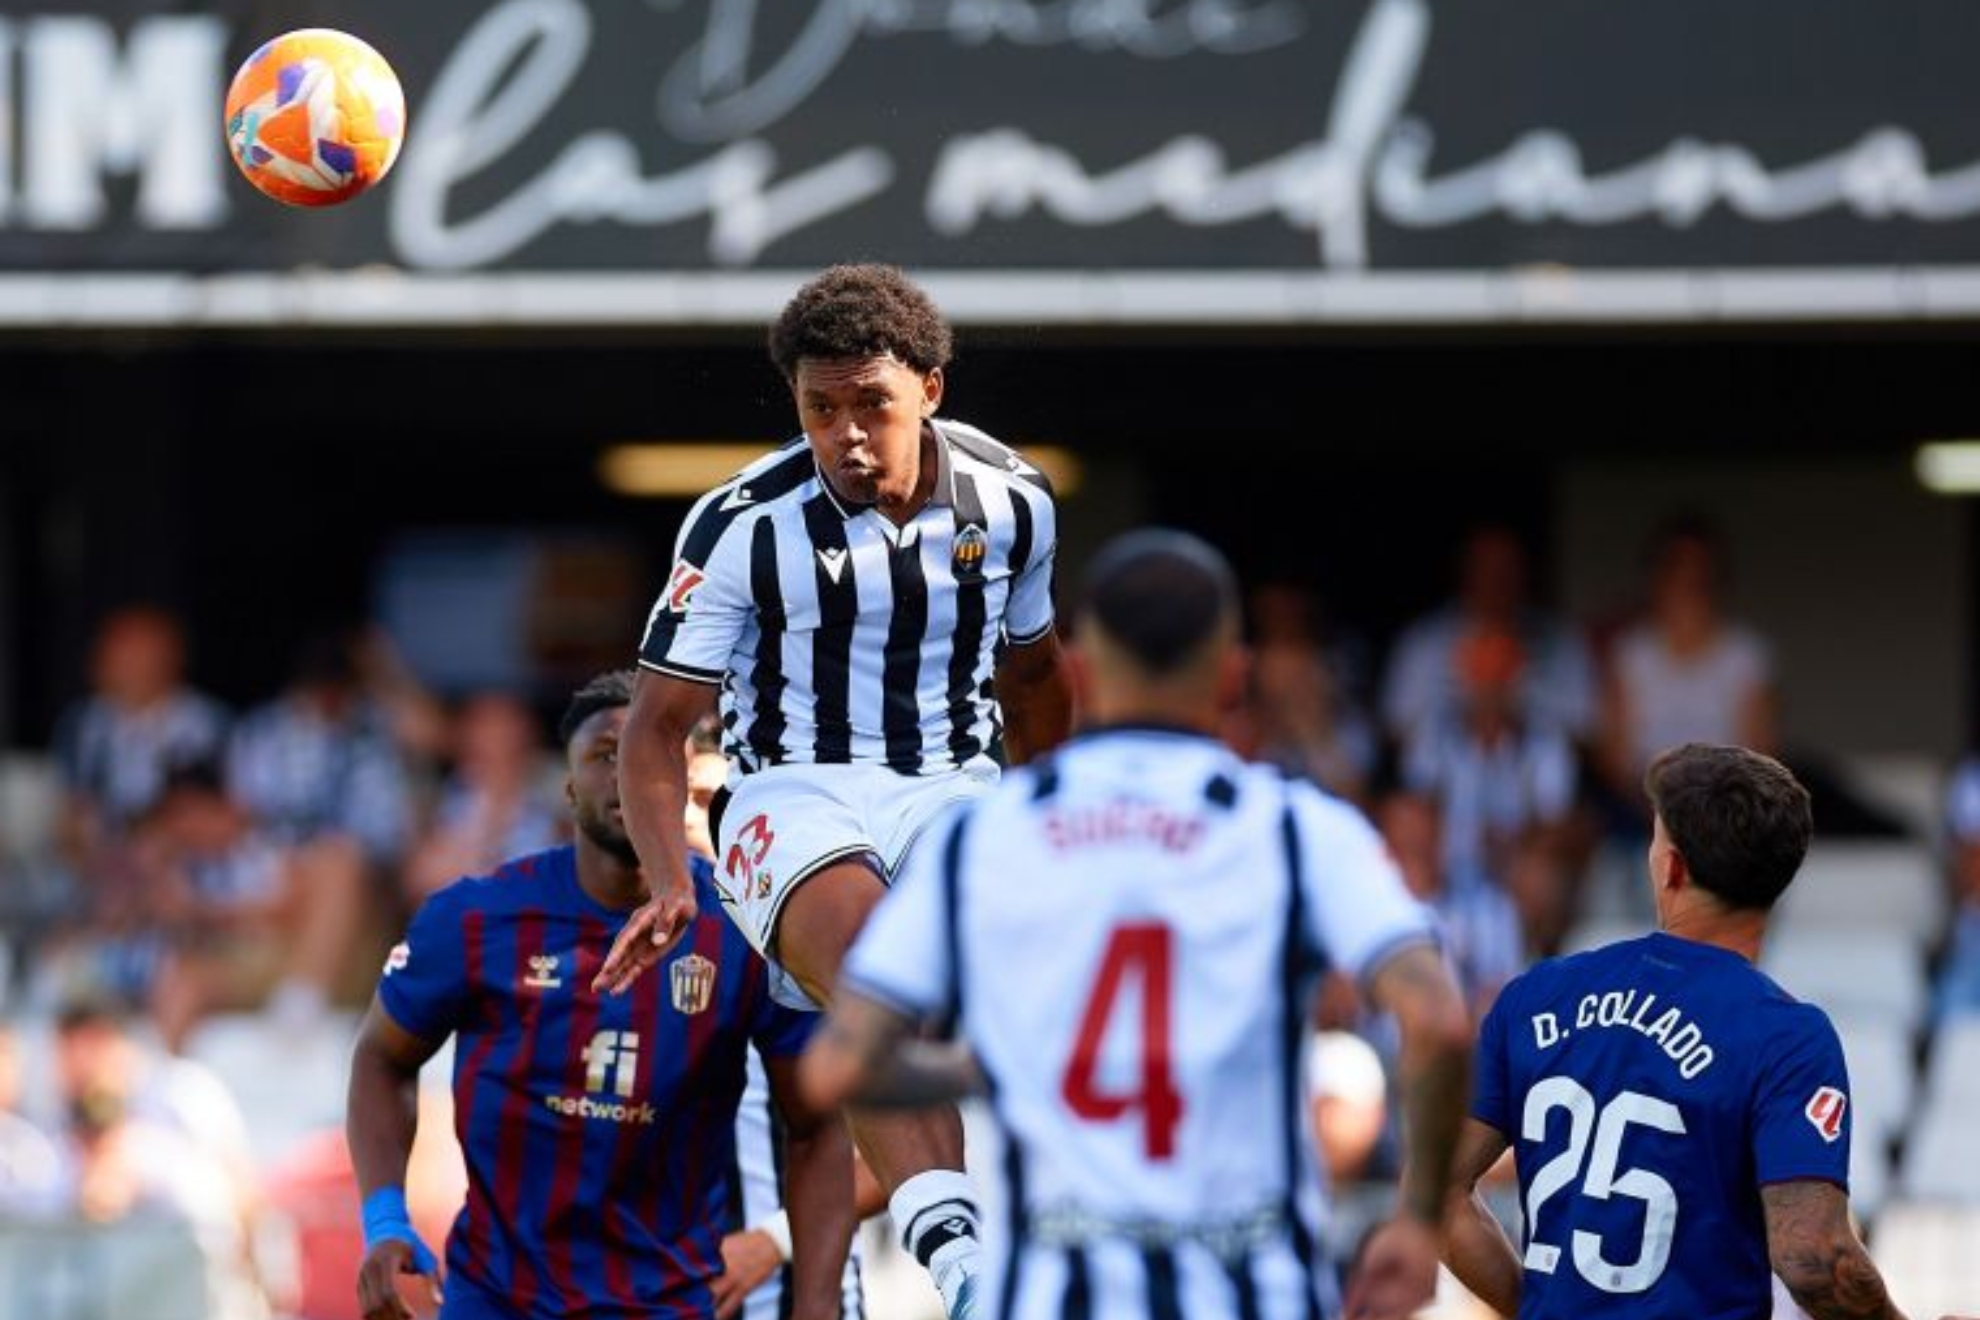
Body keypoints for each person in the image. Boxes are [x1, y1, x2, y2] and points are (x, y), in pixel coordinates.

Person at [799, 530, 1473, 1320]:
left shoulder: (985, 834)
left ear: (1080, 671)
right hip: (1255, 1296)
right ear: (1232, 676)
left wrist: (996, 1067)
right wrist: (1420, 1220)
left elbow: (837, 1069)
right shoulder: (1297, 828)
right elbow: (1436, 1018)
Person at [597, 263, 1075, 1320]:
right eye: (823, 410)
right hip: (792, 794)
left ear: (932, 392)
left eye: (874, 406)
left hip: (956, 785)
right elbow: (657, 727)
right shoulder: (738, 525)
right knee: (875, 974)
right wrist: (673, 882)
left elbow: (1036, 677)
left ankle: (1002, 1250)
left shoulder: (1015, 503)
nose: (849, 435)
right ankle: (963, 1271)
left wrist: (1060, 820)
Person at [346, 671, 854, 1320]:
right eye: (605, 754)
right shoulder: (476, 917)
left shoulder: (745, 932)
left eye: (650, 753)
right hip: (496, 1300)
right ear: (566, 784)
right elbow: (381, 1058)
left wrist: (816, 1308)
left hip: (666, 1305)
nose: (627, 773)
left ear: (684, 778)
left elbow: (820, 1128)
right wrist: (386, 1218)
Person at [1442, 743, 1953, 1320]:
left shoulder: (1536, 996)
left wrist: (1535, 1309)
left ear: (1673, 867)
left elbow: (1435, 1189)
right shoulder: (1786, 1036)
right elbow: (1813, 1257)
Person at [1381, 525, 1596, 748]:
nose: (1498, 581)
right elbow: (1398, 728)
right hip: (1445, 776)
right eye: (1487, 569)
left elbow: (1586, 730)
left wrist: (1516, 714)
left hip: (1539, 774)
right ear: (1466, 574)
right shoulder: (1422, 642)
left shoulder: (1561, 640)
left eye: (1508, 569)